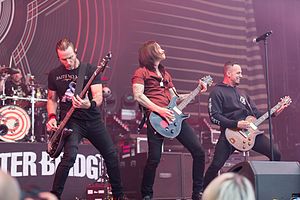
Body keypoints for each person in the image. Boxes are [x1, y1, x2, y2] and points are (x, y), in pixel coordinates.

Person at [46, 37, 127, 200]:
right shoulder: (55, 74)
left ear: (76, 52)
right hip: (71, 122)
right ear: (58, 57)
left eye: (70, 57)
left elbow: (98, 97)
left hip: (92, 119)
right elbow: (51, 99)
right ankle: (54, 196)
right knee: (70, 156)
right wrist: (52, 117)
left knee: (111, 154)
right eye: (63, 59)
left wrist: (87, 104)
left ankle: (119, 195)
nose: (68, 62)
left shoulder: (89, 70)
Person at [132, 41, 207, 200]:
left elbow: (176, 98)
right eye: (159, 48)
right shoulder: (141, 72)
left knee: (199, 152)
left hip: (174, 117)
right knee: (154, 159)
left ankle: (197, 193)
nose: (163, 49)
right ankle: (146, 194)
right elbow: (138, 95)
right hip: (156, 119)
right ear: (151, 53)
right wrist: (159, 110)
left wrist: (197, 91)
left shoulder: (166, 74)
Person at [203, 61, 287, 189]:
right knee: (216, 165)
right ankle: (201, 192)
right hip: (230, 133)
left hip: (250, 132)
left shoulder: (243, 94)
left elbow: (257, 114)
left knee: (276, 154)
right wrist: (236, 124)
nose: (241, 75)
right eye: (238, 73)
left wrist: (274, 113)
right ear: (228, 73)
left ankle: (271, 187)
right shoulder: (217, 92)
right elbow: (214, 117)